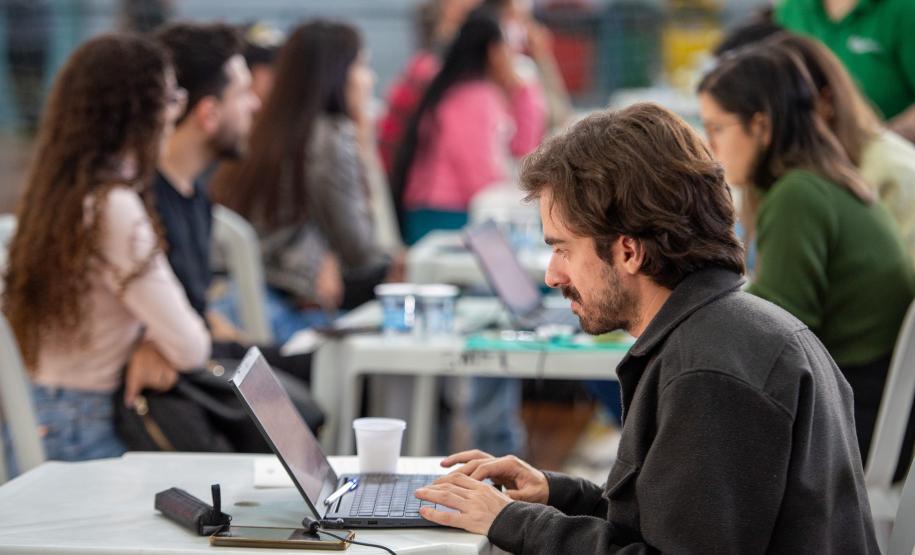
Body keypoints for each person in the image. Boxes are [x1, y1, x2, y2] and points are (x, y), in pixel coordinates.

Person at [411, 102, 879, 553]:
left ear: (629, 252)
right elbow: (670, 525)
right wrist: (556, 494)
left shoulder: (710, 374)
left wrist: (509, 520)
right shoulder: (719, 332)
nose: (552, 275)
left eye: (564, 250)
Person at [698, 47, 915, 462]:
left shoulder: (798, 195)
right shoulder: (824, 180)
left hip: (856, 417)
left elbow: (773, 336)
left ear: (760, 126)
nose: (710, 147)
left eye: (717, 128)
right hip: (877, 406)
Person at [2, 33, 210, 462]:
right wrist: (153, 340)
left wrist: (148, 339)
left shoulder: (55, 195)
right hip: (90, 429)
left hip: (38, 417)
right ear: (141, 113)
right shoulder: (114, 207)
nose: (175, 115)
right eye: (171, 99)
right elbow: (191, 347)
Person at [211, 21, 397, 343]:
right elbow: (361, 249)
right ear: (337, 74)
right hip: (291, 317)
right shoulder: (330, 138)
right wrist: (364, 149)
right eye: (362, 66)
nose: (370, 79)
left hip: (242, 305)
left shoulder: (263, 130)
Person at [152, 23, 316, 387]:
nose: (256, 104)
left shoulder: (194, 197)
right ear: (208, 114)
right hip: (180, 384)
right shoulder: (143, 205)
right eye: (242, 93)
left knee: (318, 366)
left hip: (201, 361)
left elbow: (197, 313)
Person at [716, 28, 915, 265]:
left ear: (827, 101)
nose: (772, 126)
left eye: (793, 106)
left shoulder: (889, 169)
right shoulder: (786, 180)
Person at [391, 7, 545, 245]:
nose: (512, 57)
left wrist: (524, 91)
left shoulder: (466, 92)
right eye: (508, 48)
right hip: (442, 217)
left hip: (439, 213)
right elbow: (481, 178)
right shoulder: (474, 98)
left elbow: (521, 147)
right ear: (493, 52)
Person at [775, 0, 915, 142]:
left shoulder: (904, 8)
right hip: (818, 152)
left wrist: (879, 142)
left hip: (892, 150)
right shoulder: (792, 10)